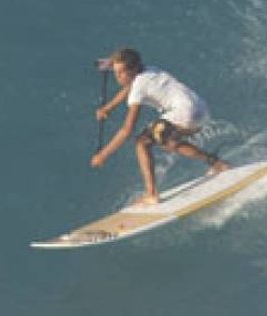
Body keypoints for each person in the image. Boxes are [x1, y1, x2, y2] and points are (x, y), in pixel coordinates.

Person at [90, 47, 229, 206]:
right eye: (116, 72)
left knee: (142, 142)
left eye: (121, 72)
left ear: (134, 69)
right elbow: (128, 87)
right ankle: (217, 164)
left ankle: (151, 194)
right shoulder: (149, 70)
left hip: (184, 114)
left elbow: (127, 129)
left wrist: (103, 155)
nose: (118, 77)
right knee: (169, 141)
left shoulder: (139, 87)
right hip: (202, 110)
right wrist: (108, 107)